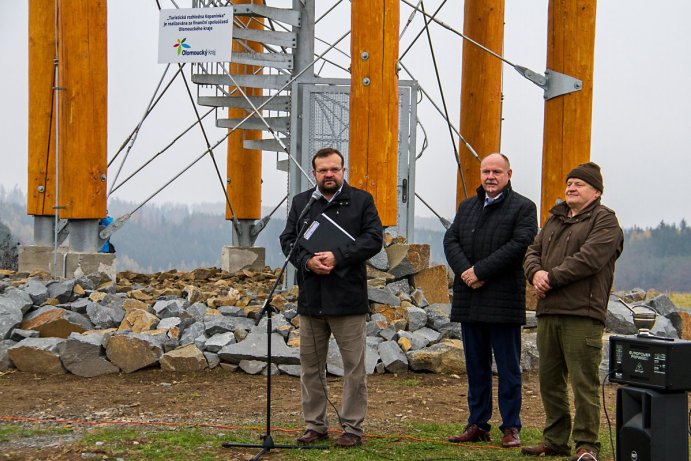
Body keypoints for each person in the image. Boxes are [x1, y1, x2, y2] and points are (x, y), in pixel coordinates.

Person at [279, 147, 383, 448]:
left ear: (343, 171)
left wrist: (338, 257)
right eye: (323, 170)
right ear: (314, 173)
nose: (329, 175)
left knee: (353, 369)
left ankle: (352, 428)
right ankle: (315, 425)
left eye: (334, 169)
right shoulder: (302, 203)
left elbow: (374, 239)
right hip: (311, 299)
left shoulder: (362, 201)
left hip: (348, 299)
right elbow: (288, 240)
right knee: (311, 367)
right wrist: (307, 261)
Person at [522, 162, 623, 461]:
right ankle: (554, 441)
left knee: (584, 383)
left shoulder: (606, 222)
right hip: (549, 311)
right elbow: (531, 252)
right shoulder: (554, 220)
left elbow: (589, 259)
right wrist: (535, 273)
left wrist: (549, 277)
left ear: (596, 191)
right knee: (550, 382)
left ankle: (587, 445)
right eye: (569, 183)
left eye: (579, 183)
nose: (571, 187)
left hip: (583, 313)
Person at [443, 153, 538, 448]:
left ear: (509, 173)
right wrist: (466, 272)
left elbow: (520, 245)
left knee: (508, 369)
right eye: (486, 171)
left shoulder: (523, 207)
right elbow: (451, 240)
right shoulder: (468, 206)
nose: (490, 176)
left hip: (502, 301)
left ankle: (511, 427)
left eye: (496, 171)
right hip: (470, 300)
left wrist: (481, 271)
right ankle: (477, 423)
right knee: (476, 367)